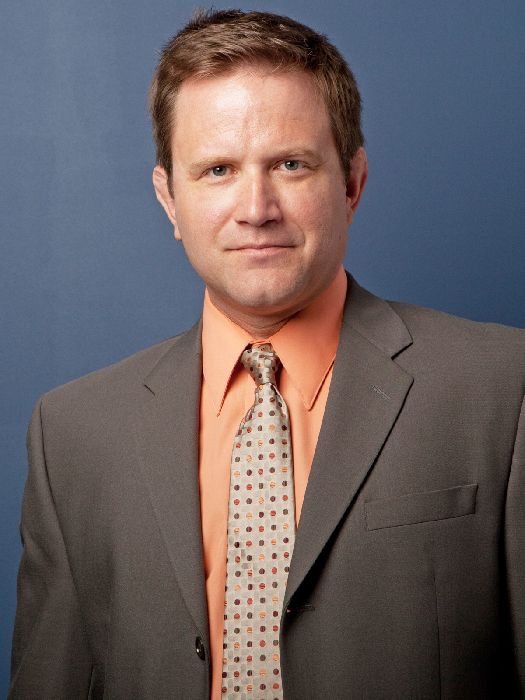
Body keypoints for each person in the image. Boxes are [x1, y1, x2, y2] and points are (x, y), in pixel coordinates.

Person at [9, 9, 525, 700]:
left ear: (352, 182)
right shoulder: (72, 434)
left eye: (290, 164)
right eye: (218, 169)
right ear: (169, 198)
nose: (256, 208)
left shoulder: (503, 390)